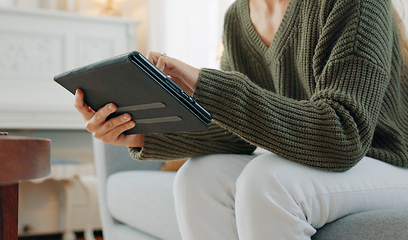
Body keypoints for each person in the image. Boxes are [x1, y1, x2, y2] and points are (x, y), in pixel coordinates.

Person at [75, 0, 408, 239]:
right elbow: (238, 134)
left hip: (387, 163)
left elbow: (342, 136)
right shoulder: (238, 16)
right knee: (199, 177)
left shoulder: (356, 4)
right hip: (328, 165)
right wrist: (139, 135)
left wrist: (205, 83)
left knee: (267, 180)